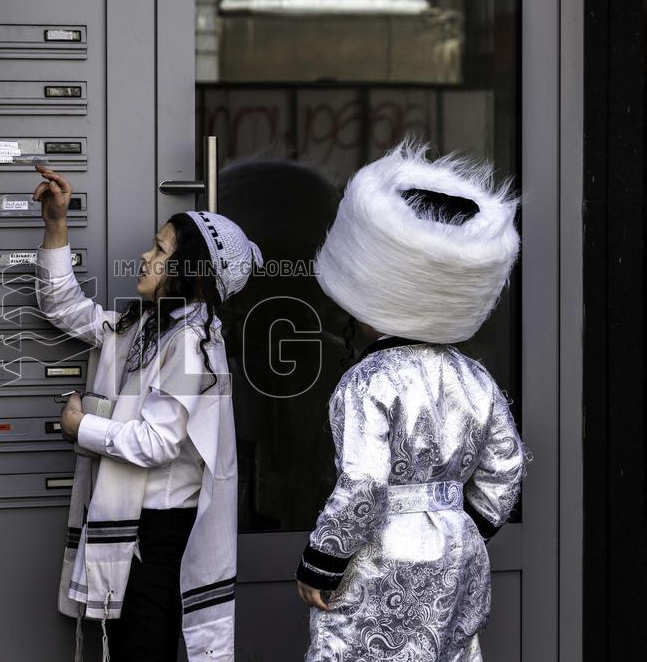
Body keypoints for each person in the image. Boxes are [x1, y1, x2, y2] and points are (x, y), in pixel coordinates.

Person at [294, 140, 530, 661]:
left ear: (371, 293)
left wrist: (322, 560)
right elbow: (507, 467)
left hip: (385, 549)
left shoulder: (367, 381)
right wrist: (460, 523)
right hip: (459, 550)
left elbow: (363, 481)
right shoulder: (476, 377)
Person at [32, 164, 263, 661]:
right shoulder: (146, 327)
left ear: (190, 272)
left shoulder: (192, 345)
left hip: (158, 536)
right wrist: (56, 224)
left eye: (160, 251)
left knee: (143, 650)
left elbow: (158, 443)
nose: (145, 256)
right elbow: (63, 307)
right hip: (139, 528)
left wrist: (81, 427)